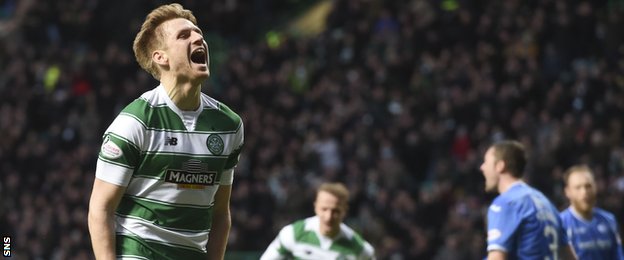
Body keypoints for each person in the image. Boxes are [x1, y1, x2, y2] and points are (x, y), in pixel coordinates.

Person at [87, 3, 244, 259]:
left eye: (198, 34)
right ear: (161, 58)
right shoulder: (134, 122)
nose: (198, 39)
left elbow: (220, 212)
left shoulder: (229, 125)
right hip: (138, 251)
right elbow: (100, 208)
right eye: (184, 36)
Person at [480, 140, 576, 260]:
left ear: (500, 166)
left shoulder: (506, 203)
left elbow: (497, 258)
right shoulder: (546, 203)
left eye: (486, 162)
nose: (482, 167)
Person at [260, 182, 375, 260]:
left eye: (335, 211)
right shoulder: (293, 234)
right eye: (324, 209)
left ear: (344, 211)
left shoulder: (359, 248)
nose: (328, 216)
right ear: (316, 207)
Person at [560, 165, 624, 259]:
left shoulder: (609, 220)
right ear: (567, 192)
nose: (584, 192)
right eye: (578, 187)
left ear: (595, 187)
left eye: (588, 186)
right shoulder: (561, 223)